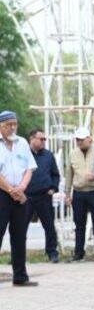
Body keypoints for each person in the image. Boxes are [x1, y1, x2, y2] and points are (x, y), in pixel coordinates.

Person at [0, 111, 38, 286]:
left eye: (15, 124)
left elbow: (29, 168)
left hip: (20, 193)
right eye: (9, 125)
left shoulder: (22, 143)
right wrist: (10, 189)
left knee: (19, 235)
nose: (13, 127)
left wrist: (21, 188)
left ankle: (20, 277)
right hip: (2, 193)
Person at [65, 127, 94, 261]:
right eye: (77, 140)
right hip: (78, 193)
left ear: (89, 139)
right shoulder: (72, 153)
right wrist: (67, 193)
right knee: (79, 225)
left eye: (82, 140)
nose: (79, 142)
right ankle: (78, 253)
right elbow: (69, 173)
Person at [25, 128, 61, 263]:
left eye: (45, 139)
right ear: (32, 139)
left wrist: (53, 188)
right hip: (26, 196)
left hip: (44, 196)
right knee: (20, 227)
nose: (44, 141)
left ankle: (52, 252)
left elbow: (55, 175)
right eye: (41, 139)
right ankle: (18, 255)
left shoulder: (48, 155)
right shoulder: (23, 154)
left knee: (49, 226)